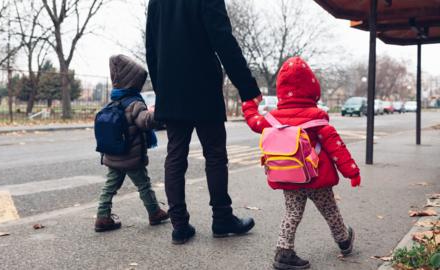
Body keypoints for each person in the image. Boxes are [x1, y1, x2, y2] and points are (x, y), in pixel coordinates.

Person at [146, 0, 262, 244]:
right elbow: (223, 40)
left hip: (171, 88)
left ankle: (179, 225)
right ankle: (222, 218)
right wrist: (247, 87)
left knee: (175, 156)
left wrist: (162, 90)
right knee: (215, 154)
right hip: (203, 88)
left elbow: (151, 48)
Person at [242, 57, 361, 270]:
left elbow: (253, 121)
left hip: (290, 175)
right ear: (313, 90)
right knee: (330, 210)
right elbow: (336, 147)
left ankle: (284, 251)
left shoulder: (272, 118)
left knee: (292, 214)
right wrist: (351, 172)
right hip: (318, 178)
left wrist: (249, 104)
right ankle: (343, 240)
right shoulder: (317, 117)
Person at [94, 55, 169, 232]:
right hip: (131, 156)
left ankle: (102, 217)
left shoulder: (114, 101)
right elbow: (145, 122)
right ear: (133, 82)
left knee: (110, 186)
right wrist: (156, 113)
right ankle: (154, 212)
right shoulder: (135, 103)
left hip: (114, 155)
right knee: (143, 184)